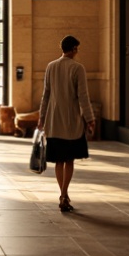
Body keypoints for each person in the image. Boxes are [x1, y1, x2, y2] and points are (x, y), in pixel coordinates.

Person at [38, 34, 95, 212]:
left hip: (54, 121)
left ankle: (62, 193)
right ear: (73, 49)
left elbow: (45, 95)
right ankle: (64, 194)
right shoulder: (78, 68)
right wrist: (90, 118)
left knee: (58, 161)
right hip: (71, 122)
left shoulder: (51, 66)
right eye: (77, 48)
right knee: (69, 160)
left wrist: (41, 117)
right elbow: (83, 97)